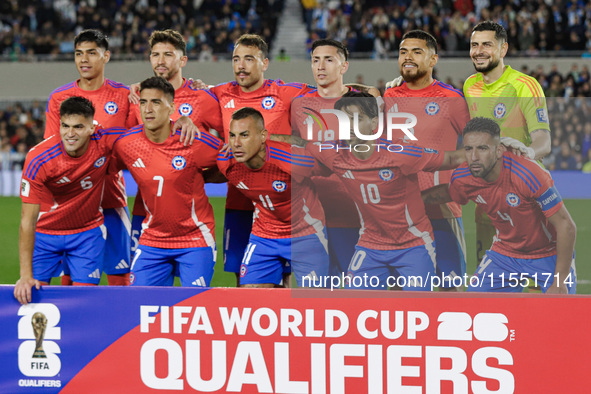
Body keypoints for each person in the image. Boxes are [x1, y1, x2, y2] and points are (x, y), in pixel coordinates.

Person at [299, 92, 466, 291]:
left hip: (413, 243)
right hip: (371, 245)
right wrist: (265, 138)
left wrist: (494, 148)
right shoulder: (333, 153)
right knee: (353, 305)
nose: (349, 126)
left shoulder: (400, 153)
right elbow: (301, 143)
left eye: (357, 119)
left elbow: (453, 159)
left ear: (374, 123)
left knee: (418, 309)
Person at [423, 117, 576, 294]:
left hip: (548, 253)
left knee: (559, 315)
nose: (474, 157)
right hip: (506, 253)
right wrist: (413, 200)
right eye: (468, 149)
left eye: (482, 148)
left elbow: (566, 226)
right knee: (472, 307)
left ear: (499, 150)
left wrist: (559, 282)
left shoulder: (528, 174)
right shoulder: (464, 177)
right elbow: (450, 192)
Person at [208, 34, 314, 285]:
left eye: (248, 59)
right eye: (236, 59)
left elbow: (331, 93)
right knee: (242, 277)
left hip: (281, 195)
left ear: (265, 63)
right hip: (240, 196)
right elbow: (185, 101)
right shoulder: (219, 93)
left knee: (285, 278)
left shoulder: (285, 93)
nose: (240, 65)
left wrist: (367, 91)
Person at [112, 77, 222, 287]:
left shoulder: (193, 139)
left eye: (156, 102)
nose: (148, 109)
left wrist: (203, 177)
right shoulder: (126, 144)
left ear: (172, 107)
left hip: (194, 238)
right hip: (152, 239)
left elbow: (231, 160)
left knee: (192, 308)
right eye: (143, 102)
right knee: (141, 307)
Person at [44, 29, 133, 286]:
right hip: (72, 203)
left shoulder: (124, 95)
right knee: (70, 278)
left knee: (119, 275)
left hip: (111, 197)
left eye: (91, 53)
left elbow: (133, 143)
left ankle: (121, 325)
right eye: (78, 54)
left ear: (106, 56)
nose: (84, 59)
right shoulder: (59, 98)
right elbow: (53, 148)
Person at [15, 97, 125, 304]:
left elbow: (145, 136)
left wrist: (180, 122)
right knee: (33, 297)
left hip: (87, 233)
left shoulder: (105, 142)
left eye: (78, 127)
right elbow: (27, 221)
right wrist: (24, 275)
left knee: (84, 300)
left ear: (92, 128)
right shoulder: (39, 158)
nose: (70, 133)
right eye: (65, 126)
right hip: (45, 234)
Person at [383, 30, 470, 290]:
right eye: (403, 52)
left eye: (416, 52)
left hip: (441, 210)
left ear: (433, 60)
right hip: (399, 214)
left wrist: (457, 186)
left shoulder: (452, 100)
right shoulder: (389, 97)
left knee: (448, 290)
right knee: (399, 294)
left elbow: (476, 148)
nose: (407, 57)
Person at [127, 29, 224, 260]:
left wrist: (204, 175)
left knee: (193, 294)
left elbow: (230, 144)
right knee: (143, 292)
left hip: (189, 212)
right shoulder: (137, 98)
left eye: (168, 54)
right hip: (146, 209)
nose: (160, 60)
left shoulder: (201, 97)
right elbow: (126, 144)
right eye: (155, 54)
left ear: (183, 60)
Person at [463, 21, 551, 263]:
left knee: (535, 286)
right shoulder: (470, 86)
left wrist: (528, 154)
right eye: (474, 45)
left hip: (526, 193)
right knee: (486, 280)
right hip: (487, 197)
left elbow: (543, 140)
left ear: (503, 50)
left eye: (486, 45)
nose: (478, 51)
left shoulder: (524, 85)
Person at [217, 107, 329, 287]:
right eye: (232, 135)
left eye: (244, 135)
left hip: (305, 233)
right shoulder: (226, 162)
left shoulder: (291, 160)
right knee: (249, 295)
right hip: (264, 235)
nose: (236, 143)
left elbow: (327, 166)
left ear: (263, 137)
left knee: (314, 302)